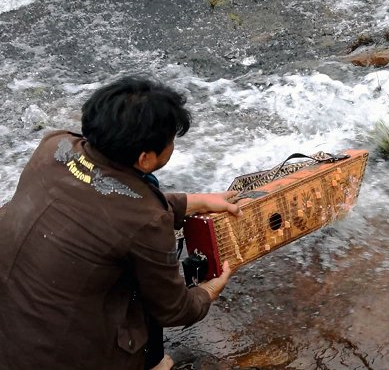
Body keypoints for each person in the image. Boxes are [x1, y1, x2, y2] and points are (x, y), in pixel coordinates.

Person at [0, 75, 240, 370]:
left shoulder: (55, 146)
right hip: (60, 358)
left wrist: (192, 201)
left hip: (10, 333)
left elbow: (104, 198)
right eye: (170, 141)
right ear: (145, 159)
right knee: (144, 283)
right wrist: (208, 291)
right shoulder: (147, 220)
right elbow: (174, 309)